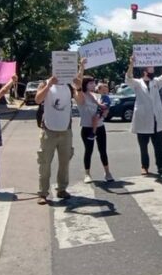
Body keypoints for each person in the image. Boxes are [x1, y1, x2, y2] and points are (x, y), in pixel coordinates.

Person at [35, 69, 77, 205]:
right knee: (45, 163)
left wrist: (79, 86)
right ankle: (43, 193)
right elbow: (38, 99)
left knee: (65, 162)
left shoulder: (70, 86)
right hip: (49, 130)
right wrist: (48, 85)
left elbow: (80, 100)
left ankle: (62, 189)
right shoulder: (45, 83)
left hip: (66, 130)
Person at [125, 54, 162, 179]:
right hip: (143, 119)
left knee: (159, 147)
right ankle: (144, 166)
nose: (153, 69)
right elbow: (128, 78)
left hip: (156, 119)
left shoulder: (156, 82)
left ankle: (160, 167)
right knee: (143, 146)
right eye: (151, 68)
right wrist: (131, 64)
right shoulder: (137, 83)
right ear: (145, 71)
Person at [76, 75, 114, 183]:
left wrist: (105, 113)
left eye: (94, 82)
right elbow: (78, 83)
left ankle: (107, 172)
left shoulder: (97, 95)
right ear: (85, 84)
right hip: (87, 127)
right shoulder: (81, 95)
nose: (93, 85)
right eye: (90, 83)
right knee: (88, 150)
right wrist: (82, 67)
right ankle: (87, 173)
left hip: (100, 126)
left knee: (103, 150)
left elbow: (103, 109)